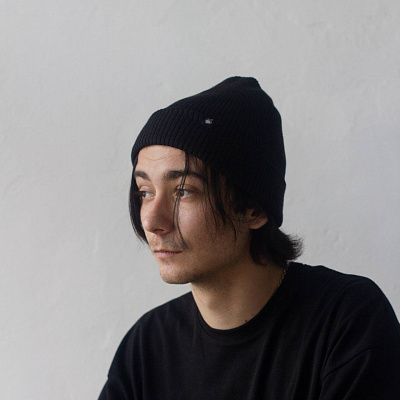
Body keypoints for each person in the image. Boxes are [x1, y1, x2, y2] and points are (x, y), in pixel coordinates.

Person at [98, 77, 400, 399]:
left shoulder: (347, 322)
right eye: (145, 192)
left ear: (254, 209)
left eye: (183, 191)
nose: (151, 220)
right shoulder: (146, 347)